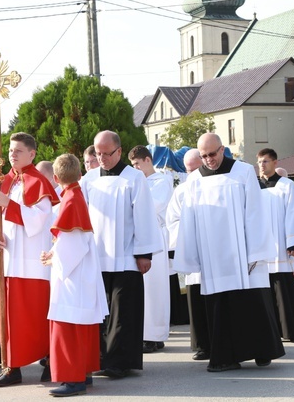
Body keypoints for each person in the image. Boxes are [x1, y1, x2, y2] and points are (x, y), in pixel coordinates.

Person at [174, 133, 284, 372]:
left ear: (222, 149)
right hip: (213, 256)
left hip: (244, 252)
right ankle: (226, 357)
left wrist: (255, 251)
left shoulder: (243, 172)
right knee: (220, 306)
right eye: (203, 156)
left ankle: (261, 350)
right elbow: (188, 219)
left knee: (253, 303)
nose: (208, 160)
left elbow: (255, 212)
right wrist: (190, 255)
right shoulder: (194, 180)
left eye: (212, 154)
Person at [81, 131, 164, 379]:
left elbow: (144, 216)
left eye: (106, 153)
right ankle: (99, 358)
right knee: (100, 311)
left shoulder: (134, 178)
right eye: (97, 153)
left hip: (127, 255)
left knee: (122, 311)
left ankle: (120, 361)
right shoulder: (89, 179)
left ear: (118, 151)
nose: (102, 158)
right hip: (97, 255)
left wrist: (144, 253)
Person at [0, 132, 60, 387]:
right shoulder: (4, 180)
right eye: (10, 150)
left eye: (18, 151)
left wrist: (9, 204)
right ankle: (11, 367)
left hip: (30, 263)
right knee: (5, 317)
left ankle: (50, 360)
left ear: (32, 154)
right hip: (6, 260)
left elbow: (40, 219)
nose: (12, 154)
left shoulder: (38, 181)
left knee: (34, 316)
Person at [40, 153, 108, 397]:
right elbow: (72, 240)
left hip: (72, 276)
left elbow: (71, 246)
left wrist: (53, 258)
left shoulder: (69, 201)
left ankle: (73, 379)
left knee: (68, 326)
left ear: (56, 178)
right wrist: (55, 253)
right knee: (83, 326)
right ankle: (85, 373)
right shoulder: (75, 196)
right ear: (80, 175)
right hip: (82, 272)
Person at [257, 148, 294, 342]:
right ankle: (271, 331)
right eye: (259, 162)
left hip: (281, 246)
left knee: (285, 290)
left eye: (265, 161)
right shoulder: (253, 186)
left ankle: (291, 329)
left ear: (275, 163)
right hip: (262, 247)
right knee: (265, 289)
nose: (262, 165)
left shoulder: (286, 185)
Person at [128, 145, 172, 354]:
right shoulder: (138, 182)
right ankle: (142, 333)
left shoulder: (161, 180)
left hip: (155, 235)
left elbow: (154, 206)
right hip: (139, 236)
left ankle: (155, 335)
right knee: (141, 289)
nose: (135, 168)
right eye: (132, 165)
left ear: (148, 160)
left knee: (155, 289)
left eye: (137, 164)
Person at [167, 148, 209, 360]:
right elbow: (171, 221)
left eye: (196, 169)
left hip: (214, 253)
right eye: (189, 170)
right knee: (196, 299)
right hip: (193, 252)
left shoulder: (213, 185)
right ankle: (202, 345)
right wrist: (187, 234)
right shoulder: (181, 191)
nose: (192, 174)